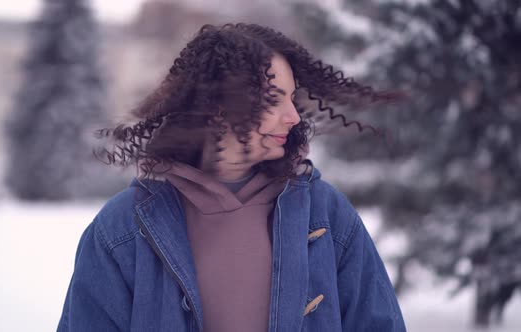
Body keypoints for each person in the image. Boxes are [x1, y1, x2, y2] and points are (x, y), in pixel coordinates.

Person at [57, 23, 406, 332]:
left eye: (292, 99)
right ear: (217, 105)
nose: (293, 117)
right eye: (274, 99)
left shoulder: (327, 216)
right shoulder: (122, 229)